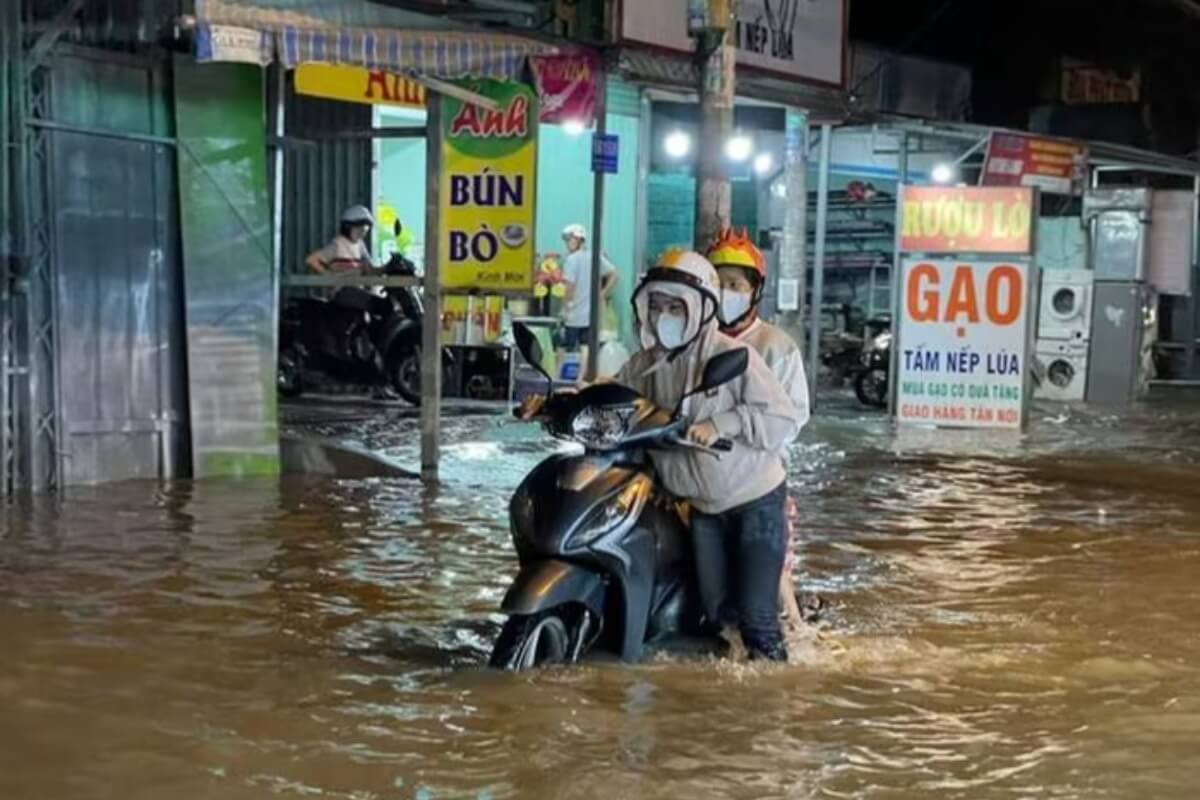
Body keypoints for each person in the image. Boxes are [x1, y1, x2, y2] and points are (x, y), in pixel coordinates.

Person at [613, 249, 804, 661]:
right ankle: (728, 702)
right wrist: (556, 400)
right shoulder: (647, 364)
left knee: (756, 620)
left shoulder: (733, 356)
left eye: (676, 306)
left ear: (701, 309)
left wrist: (721, 425)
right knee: (719, 616)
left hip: (755, 501)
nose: (665, 314)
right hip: (702, 509)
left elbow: (781, 417)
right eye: (658, 305)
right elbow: (612, 393)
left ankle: (776, 703)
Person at [706, 227, 812, 636]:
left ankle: (794, 628)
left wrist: (736, 434)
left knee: (773, 587)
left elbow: (792, 419)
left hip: (757, 481)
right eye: (718, 284)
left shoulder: (775, 345)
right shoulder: (696, 343)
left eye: (735, 284)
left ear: (754, 290)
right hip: (701, 477)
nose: (726, 292)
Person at [558, 224, 618, 365]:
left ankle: (559, 377)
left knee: (563, 346)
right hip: (590, 315)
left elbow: (569, 288)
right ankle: (581, 377)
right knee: (586, 346)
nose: (568, 243)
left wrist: (565, 307)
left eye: (570, 239)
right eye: (567, 240)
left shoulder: (570, 260)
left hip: (573, 314)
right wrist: (602, 293)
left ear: (579, 240)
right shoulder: (594, 256)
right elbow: (614, 274)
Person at [305, 205, 375, 275]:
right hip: (342, 285)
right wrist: (328, 274)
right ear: (347, 227)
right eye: (358, 230)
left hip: (357, 284)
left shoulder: (360, 245)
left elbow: (369, 266)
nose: (361, 234)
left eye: (364, 232)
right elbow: (311, 260)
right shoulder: (338, 245)